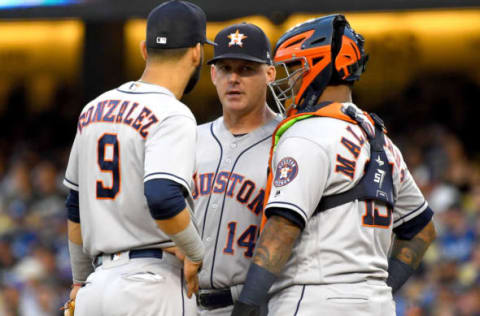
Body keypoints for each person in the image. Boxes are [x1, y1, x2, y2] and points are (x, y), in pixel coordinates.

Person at [231, 14, 436, 316]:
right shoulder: (382, 142)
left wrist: (247, 306)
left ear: (319, 67)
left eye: (296, 67)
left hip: (313, 298)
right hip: (377, 303)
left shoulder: (306, 133)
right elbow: (423, 230)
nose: (290, 78)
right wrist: (380, 289)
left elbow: (283, 228)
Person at [62, 1, 215, 315]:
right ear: (197, 52)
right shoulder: (173, 113)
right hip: (150, 286)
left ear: (145, 49)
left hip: (97, 286)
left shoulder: (93, 109)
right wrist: (195, 253)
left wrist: (79, 281)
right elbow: (162, 196)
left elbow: (75, 207)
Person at [192, 23, 281, 315]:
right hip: (184, 301)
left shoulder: (290, 141)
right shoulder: (191, 138)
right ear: (213, 75)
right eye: (226, 68)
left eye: (246, 69)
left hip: (255, 305)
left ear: (270, 73)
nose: (234, 78)